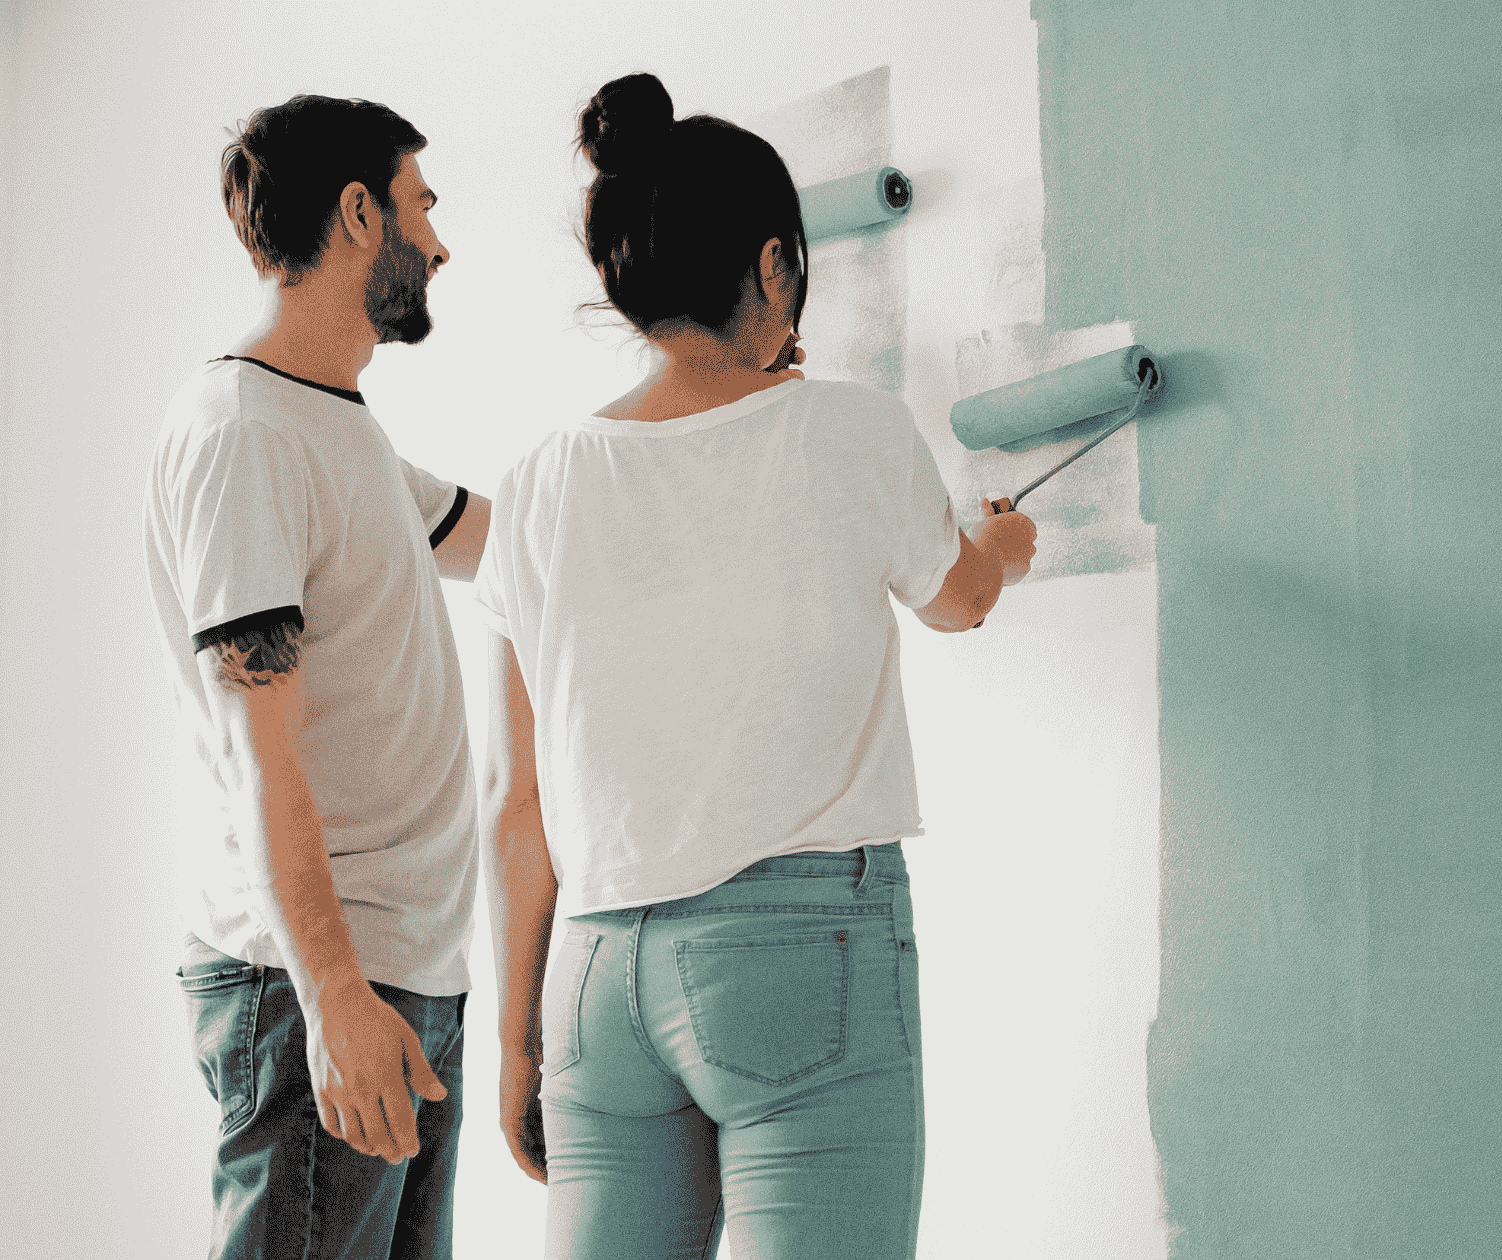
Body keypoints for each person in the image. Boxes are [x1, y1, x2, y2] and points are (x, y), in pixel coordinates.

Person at [473, 72, 1037, 1259]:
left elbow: (513, 802)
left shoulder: (534, 487)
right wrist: (999, 541)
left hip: (594, 980)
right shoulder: (850, 429)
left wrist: (519, 1041)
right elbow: (959, 603)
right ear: (776, 264)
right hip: (797, 963)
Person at [143, 94, 491, 1260]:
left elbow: (512, 540)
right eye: (422, 207)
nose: (437, 244)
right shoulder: (247, 433)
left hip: (404, 974)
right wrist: (338, 997)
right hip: (318, 988)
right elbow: (262, 751)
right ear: (358, 214)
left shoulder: (340, 433)